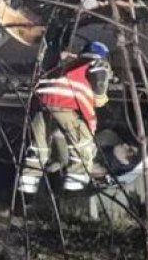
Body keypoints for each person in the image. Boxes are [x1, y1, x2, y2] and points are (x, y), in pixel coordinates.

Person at [20, 40, 111, 193]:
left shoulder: (66, 62)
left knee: (39, 145)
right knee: (83, 142)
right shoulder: (97, 63)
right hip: (65, 102)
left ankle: (28, 181)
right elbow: (99, 89)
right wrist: (102, 97)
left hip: (42, 101)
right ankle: (76, 178)